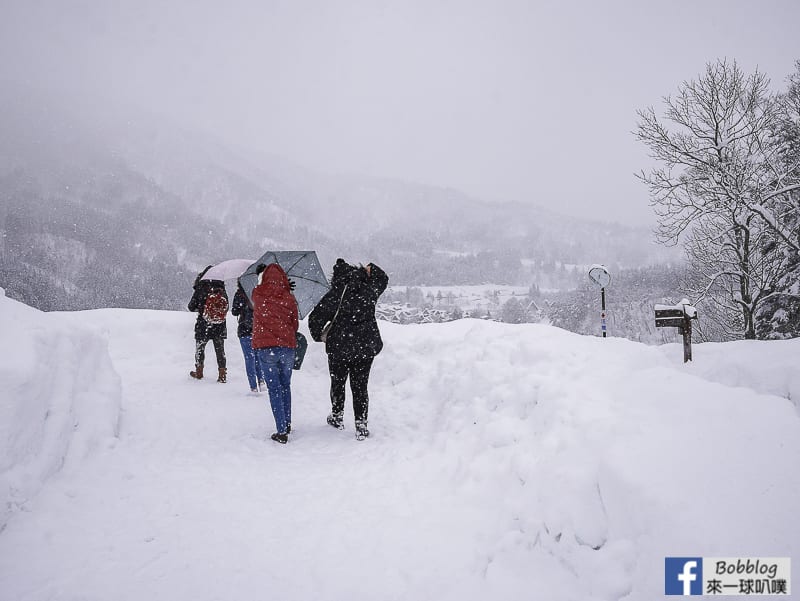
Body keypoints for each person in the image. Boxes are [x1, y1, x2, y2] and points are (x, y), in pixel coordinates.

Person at [308, 259, 388, 440]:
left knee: (338, 382)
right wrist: (370, 269)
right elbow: (383, 278)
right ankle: (361, 424)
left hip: (338, 348)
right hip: (365, 347)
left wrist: (319, 336)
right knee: (360, 386)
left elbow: (316, 318)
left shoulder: (335, 293)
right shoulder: (369, 291)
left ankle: (337, 416)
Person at [251, 263, 298, 444]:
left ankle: (281, 430)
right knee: (285, 385)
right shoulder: (289, 298)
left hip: (266, 348)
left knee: (274, 388)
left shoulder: (258, 294)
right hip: (287, 347)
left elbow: (258, 289)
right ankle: (287, 423)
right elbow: (294, 324)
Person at [188, 266, 228, 383]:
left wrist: (202, 308)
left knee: (200, 348)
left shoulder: (201, 287)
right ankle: (222, 374)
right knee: (220, 351)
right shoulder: (221, 289)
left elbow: (191, 307)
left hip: (203, 324)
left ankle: (199, 372)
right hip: (219, 325)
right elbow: (227, 307)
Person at [231, 280, 265, 394]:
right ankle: (261, 380)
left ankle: (253, 386)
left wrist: (241, 306)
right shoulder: (259, 292)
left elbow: (234, 312)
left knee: (249, 358)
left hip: (244, 330)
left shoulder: (240, 293)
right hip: (258, 329)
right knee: (258, 356)